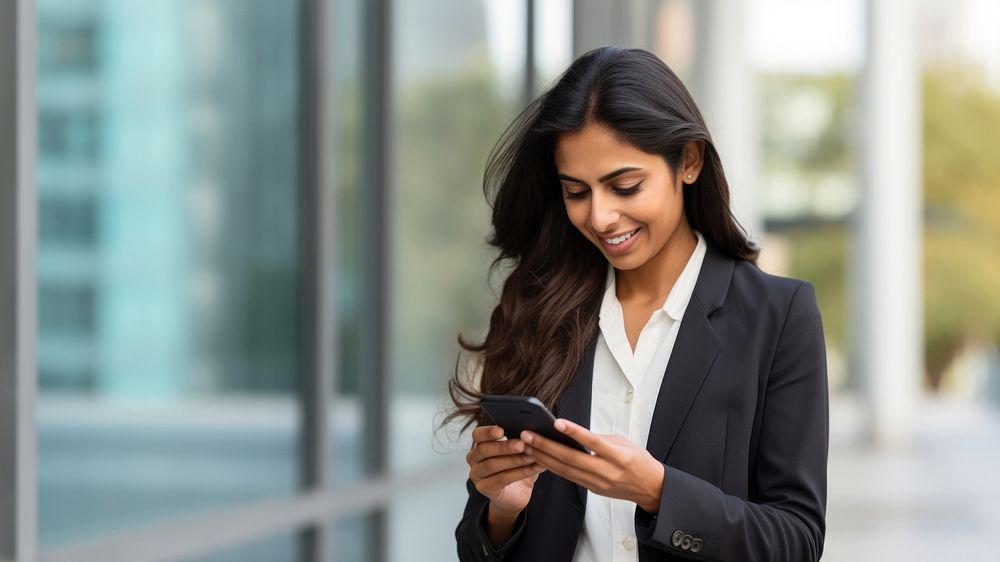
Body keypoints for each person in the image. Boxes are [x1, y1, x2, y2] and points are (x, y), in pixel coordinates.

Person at [443, 46, 828, 561]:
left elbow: (796, 542)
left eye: (624, 186)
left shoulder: (778, 317)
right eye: (576, 192)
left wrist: (659, 491)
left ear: (688, 161)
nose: (600, 217)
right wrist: (502, 508)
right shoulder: (535, 309)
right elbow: (477, 546)